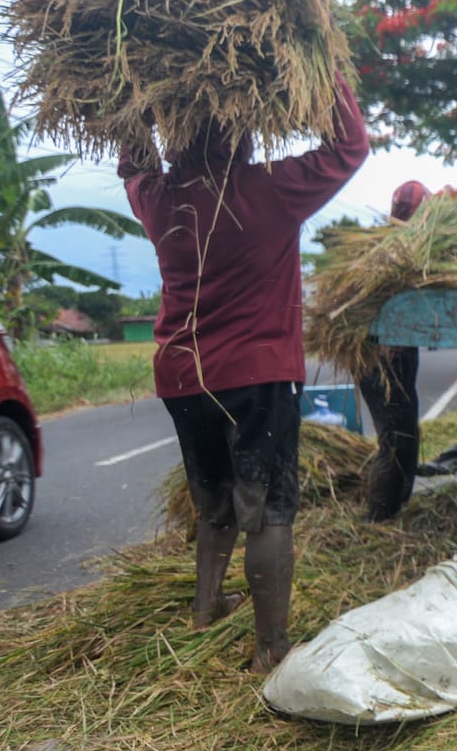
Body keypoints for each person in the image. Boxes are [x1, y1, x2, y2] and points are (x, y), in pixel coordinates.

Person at [121, 78, 369, 672]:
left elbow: (132, 163)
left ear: (178, 136)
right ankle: (270, 648)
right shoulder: (268, 189)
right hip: (256, 377)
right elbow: (348, 148)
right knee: (267, 508)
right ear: (240, 131)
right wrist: (327, 72)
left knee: (213, 501)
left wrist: (138, 100)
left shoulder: (161, 197)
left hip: (182, 377)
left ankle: (207, 606)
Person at [360, 180, 431, 520]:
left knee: (406, 427)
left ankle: (400, 503)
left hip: (399, 354)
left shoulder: (410, 245)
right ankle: (379, 518)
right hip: (377, 357)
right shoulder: (388, 249)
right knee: (394, 435)